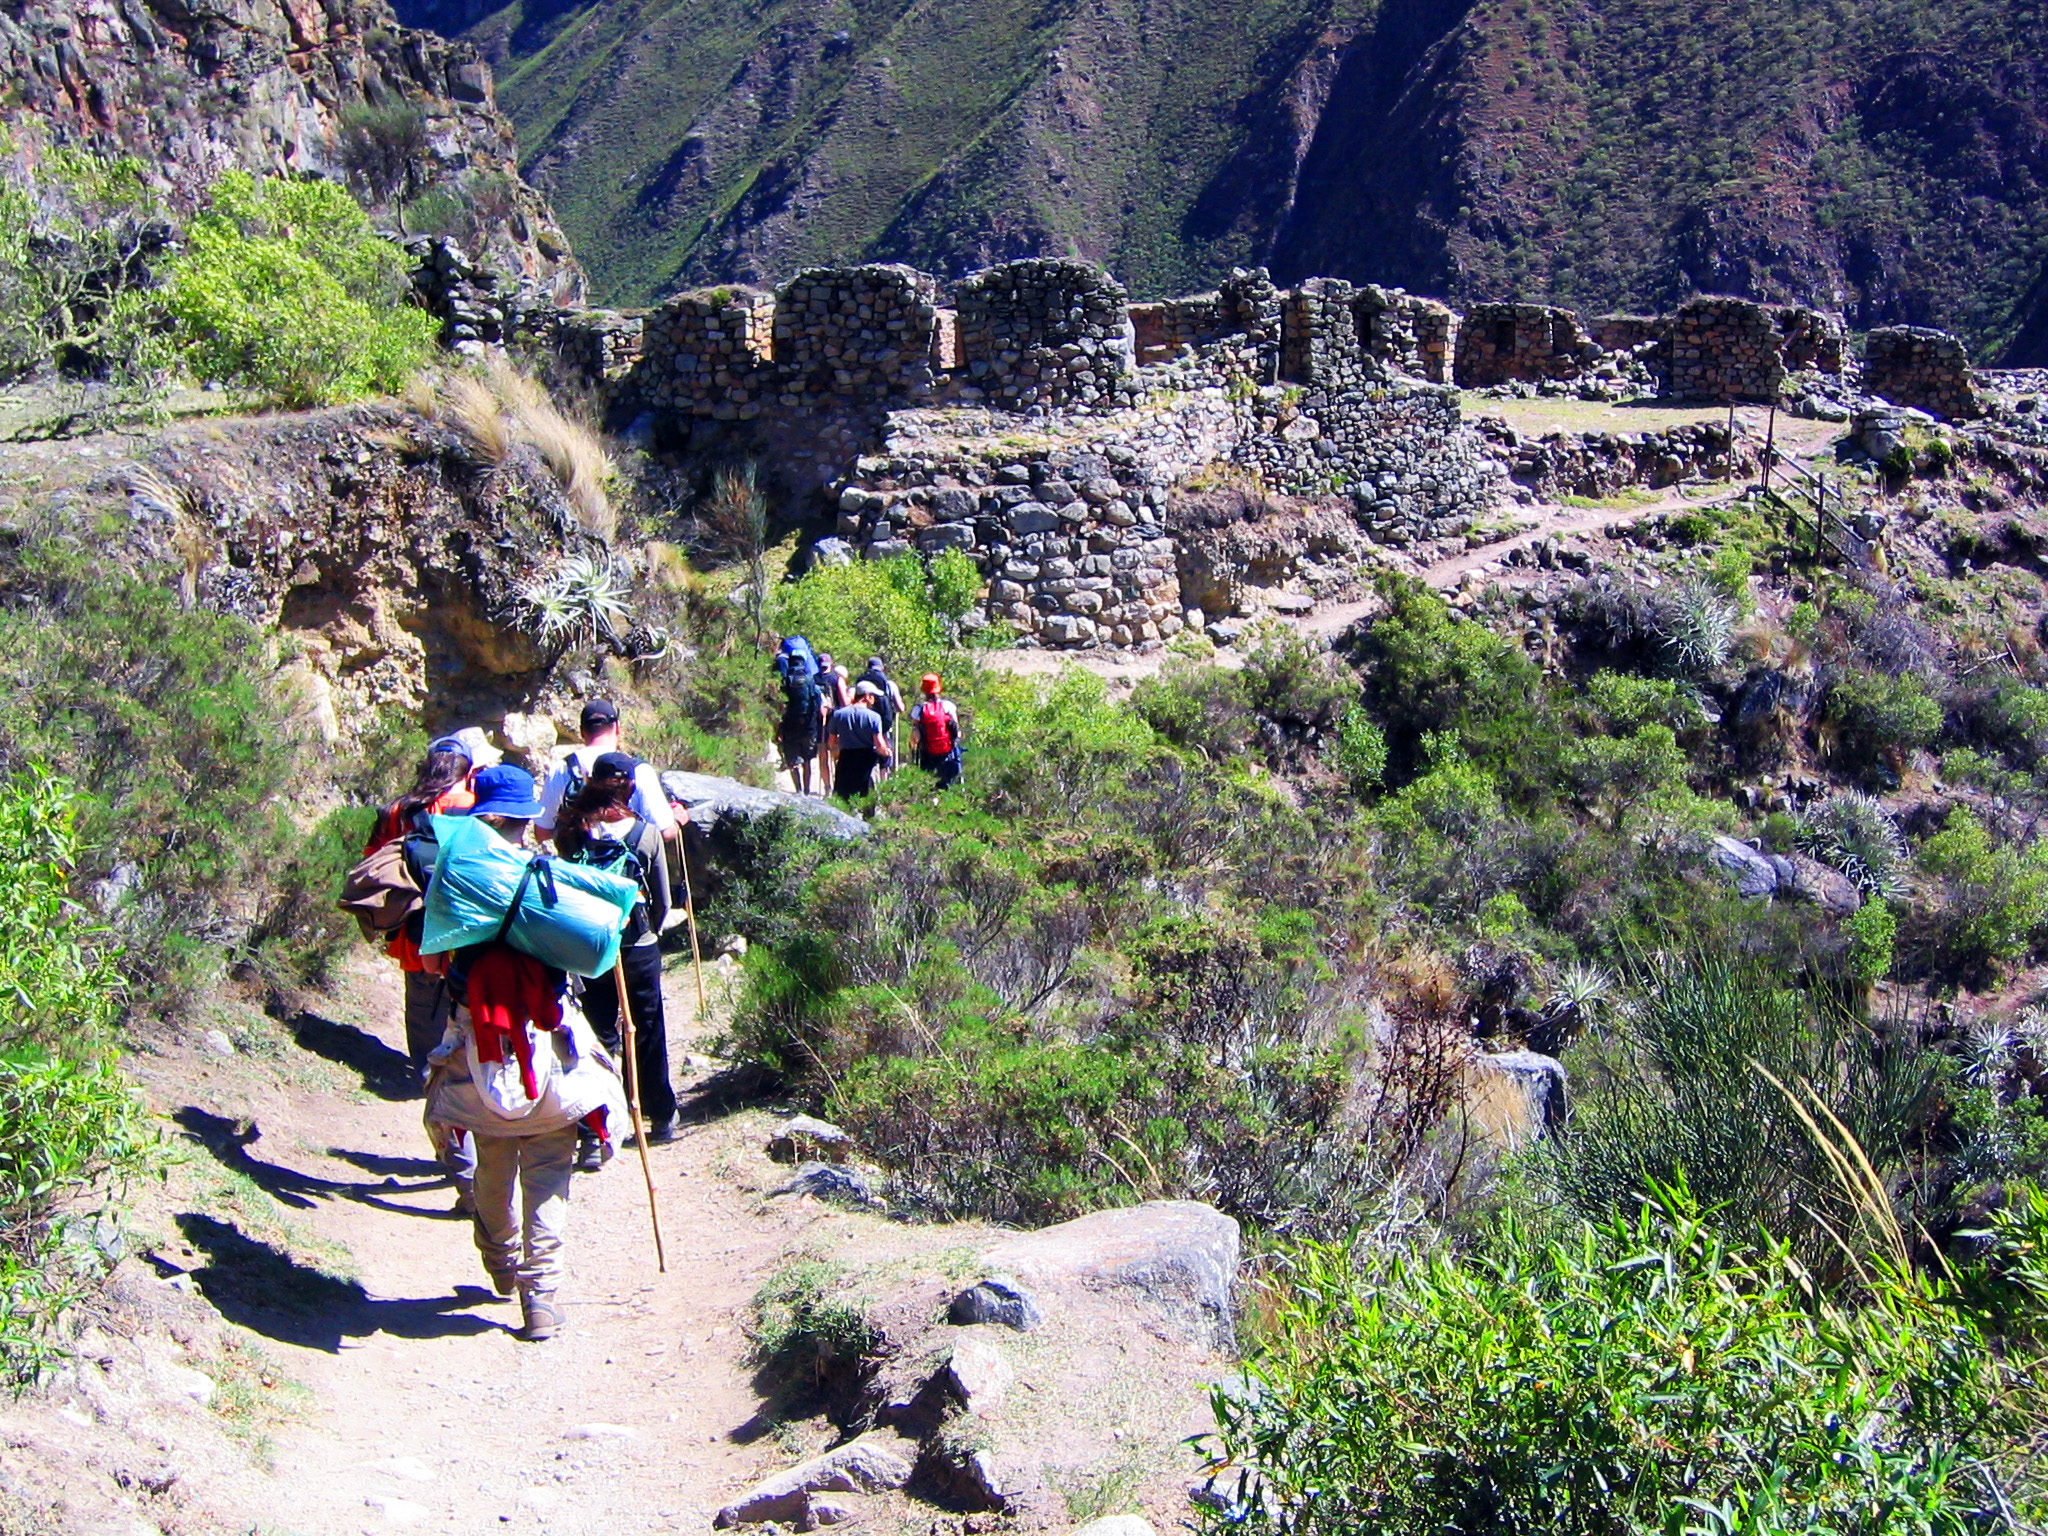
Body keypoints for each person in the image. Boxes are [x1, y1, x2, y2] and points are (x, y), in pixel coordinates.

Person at [423, 765, 628, 1342]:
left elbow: (434, 964)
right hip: (551, 1049)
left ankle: (500, 1262)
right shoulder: (547, 878)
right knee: (546, 1174)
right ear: (523, 819)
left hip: (480, 1053)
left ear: (481, 817)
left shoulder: (460, 877)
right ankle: (540, 1298)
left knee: (493, 1163)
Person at [554, 752, 676, 1165]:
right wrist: (649, 931)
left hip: (591, 948)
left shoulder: (572, 831)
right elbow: (664, 900)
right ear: (627, 786)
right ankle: (659, 1115)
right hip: (637, 945)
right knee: (646, 1027)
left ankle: (593, 1130)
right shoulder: (644, 834)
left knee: (596, 1035)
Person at [364, 734, 491, 1073]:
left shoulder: (398, 809)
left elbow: (374, 858)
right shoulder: (478, 805)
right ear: (466, 770)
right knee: (467, 994)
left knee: (421, 998)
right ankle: (469, 1073)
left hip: (414, 921)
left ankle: (425, 1070)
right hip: (467, 918)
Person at [537, 700, 679, 849]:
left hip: (576, 869)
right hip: (622, 868)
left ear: (582, 731)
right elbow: (666, 832)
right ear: (617, 728)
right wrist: (677, 819)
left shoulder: (561, 769)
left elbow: (542, 832)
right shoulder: (639, 771)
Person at [827, 681, 892, 798]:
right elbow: (879, 744)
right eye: (873, 696)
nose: (874, 700)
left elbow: (831, 742)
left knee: (844, 798)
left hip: (846, 759)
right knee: (867, 799)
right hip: (867, 761)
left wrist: (836, 754)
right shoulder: (874, 717)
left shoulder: (838, 714)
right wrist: (887, 753)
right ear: (867, 696)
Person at [777, 654, 825, 795]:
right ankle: (807, 790)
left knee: (792, 759)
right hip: (808, 726)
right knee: (808, 759)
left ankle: (798, 789)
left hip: (790, 724)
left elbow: (780, 704)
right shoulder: (810, 680)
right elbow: (817, 701)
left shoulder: (785, 680)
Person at [909, 674, 963, 787]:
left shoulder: (918, 710)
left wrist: (913, 750)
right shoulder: (948, 706)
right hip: (948, 753)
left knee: (929, 785)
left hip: (927, 754)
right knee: (947, 784)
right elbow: (957, 731)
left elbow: (915, 735)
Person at [856, 657, 904, 776]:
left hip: (863, 724)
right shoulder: (889, 684)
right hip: (883, 725)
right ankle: (883, 785)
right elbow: (900, 708)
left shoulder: (861, 682)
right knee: (884, 755)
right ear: (882, 668)